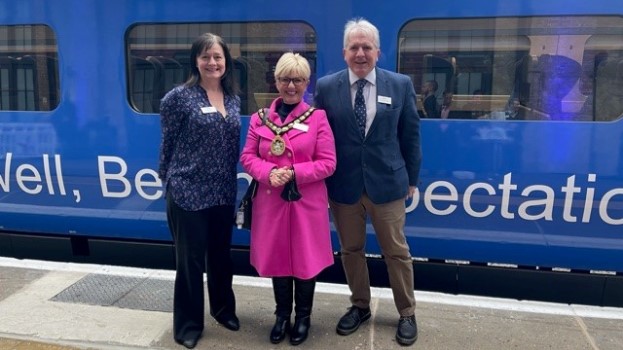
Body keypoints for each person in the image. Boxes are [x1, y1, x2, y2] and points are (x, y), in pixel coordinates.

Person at [313, 18, 421, 347]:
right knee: (351, 251)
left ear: (378, 52)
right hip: (344, 186)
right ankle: (360, 306)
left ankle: (406, 312)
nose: (361, 53)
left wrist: (412, 179)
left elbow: (411, 135)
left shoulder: (400, 85)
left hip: (387, 185)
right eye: (354, 48)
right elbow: (318, 136)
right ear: (344, 53)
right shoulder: (327, 87)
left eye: (367, 47)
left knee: (396, 252)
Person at [240, 52, 336, 346]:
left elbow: (328, 162)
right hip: (272, 201)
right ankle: (282, 315)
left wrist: (294, 172)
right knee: (278, 258)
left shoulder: (317, 118)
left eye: (297, 80)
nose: (290, 85)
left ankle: (303, 317)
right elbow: (247, 157)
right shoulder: (260, 119)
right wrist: (269, 172)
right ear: (276, 81)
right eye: (284, 79)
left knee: (305, 259)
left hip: (306, 202)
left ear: (307, 83)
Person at [158, 33, 241, 350]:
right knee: (190, 262)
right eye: (206, 56)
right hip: (188, 192)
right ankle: (188, 325)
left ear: (226, 62)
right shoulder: (178, 98)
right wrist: (168, 179)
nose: (213, 62)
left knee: (221, 257)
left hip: (222, 191)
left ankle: (223, 310)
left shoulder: (232, 97)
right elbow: (167, 144)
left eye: (218, 57)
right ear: (196, 60)